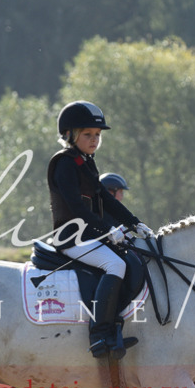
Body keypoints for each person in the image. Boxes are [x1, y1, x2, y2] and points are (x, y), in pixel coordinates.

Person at [47, 101, 153, 359]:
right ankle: (100, 334)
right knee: (115, 266)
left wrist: (133, 222)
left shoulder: (86, 162)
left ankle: (116, 322)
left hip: (89, 236)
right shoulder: (64, 163)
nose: (94, 140)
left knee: (132, 258)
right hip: (71, 238)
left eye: (97, 135)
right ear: (71, 135)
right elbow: (76, 207)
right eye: (88, 135)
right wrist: (108, 229)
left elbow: (105, 199)